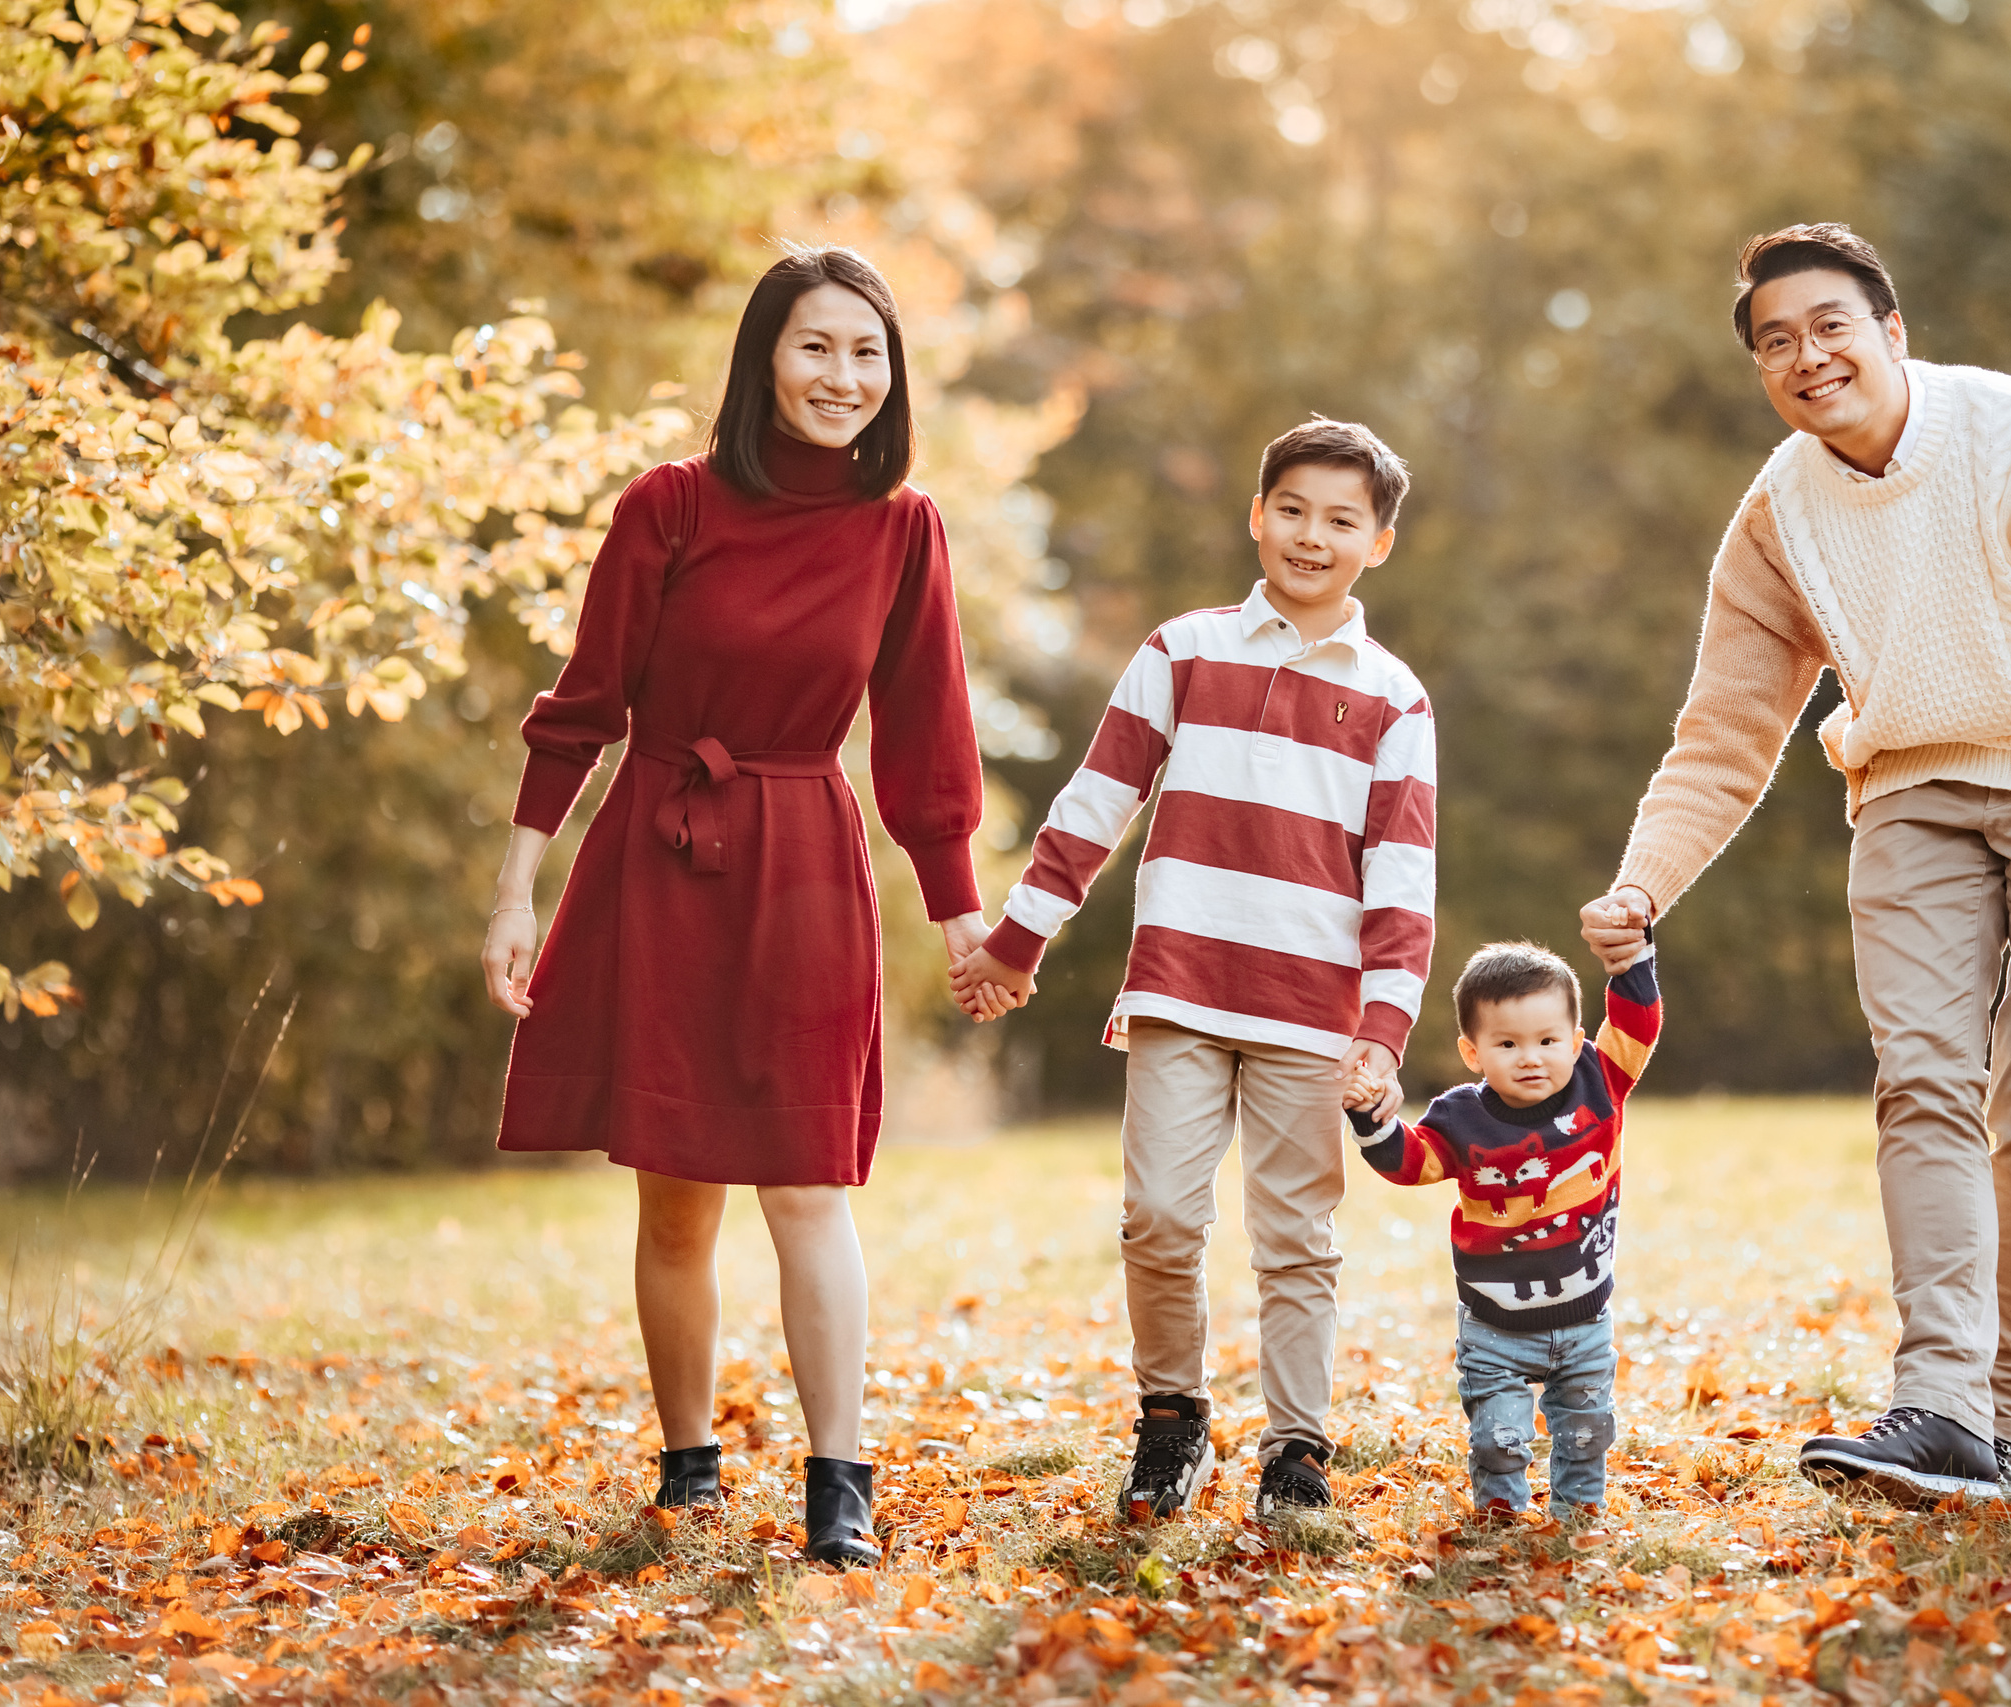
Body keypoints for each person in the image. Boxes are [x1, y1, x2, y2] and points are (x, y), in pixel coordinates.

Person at [1582, 224, 2011, 1506]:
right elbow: (1727, 728)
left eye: (1829, 326)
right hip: (1910, 785)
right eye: (1775, 343)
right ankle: (1939, 1403)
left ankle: (1998, 1424)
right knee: (1921, 1082)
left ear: (1891, 330)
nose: (1807, 357)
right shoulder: (1781, 516)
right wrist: (1643, 881)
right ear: (1759, 369)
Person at [479, 247, 995, 1567]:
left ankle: (841, 1483)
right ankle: (689, 1465)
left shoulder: (904, 526)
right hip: (661, 857)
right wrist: (516, 887)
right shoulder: (669, 506)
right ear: (765, 357)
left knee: (807, 1183)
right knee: (675, 1200)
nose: (845, 377)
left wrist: (958, 915)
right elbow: (584, 704)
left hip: (808, 866)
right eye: (817, 347)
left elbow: (926, 734)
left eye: (869, 353)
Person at [947, 418, 1436, 1523]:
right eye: (1295, 511)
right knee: (1159, 1217)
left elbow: (1403, 881)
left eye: (1342, 521)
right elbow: (1096, 802)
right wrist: (1016, 943)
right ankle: (1173, 1421)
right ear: (1258, 516)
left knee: (1296, 1234)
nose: (1313, 537)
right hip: (1178, 987)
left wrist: (1382, 1029)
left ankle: (1297, 1447)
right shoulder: (1184, 650)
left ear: (1378, 543)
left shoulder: (1395, 698)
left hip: (1312, 1012)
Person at [1346, 937, 1660, 1516]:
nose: (1531, 1057)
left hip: (1585, 1315)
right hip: (1494, 1326)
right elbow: (1410, 1164)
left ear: (1576, 1040)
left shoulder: (1601, 1080)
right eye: (1507, 1043)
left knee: (1586, 1434)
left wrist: (1632, 961)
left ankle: (1578, 1517)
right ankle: (1501, 1517)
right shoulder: (1461, 1119)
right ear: (1473, 1052)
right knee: (1498, 1441)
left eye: (1547, 1041)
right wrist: (1370, 1118)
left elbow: (1638, 1024)